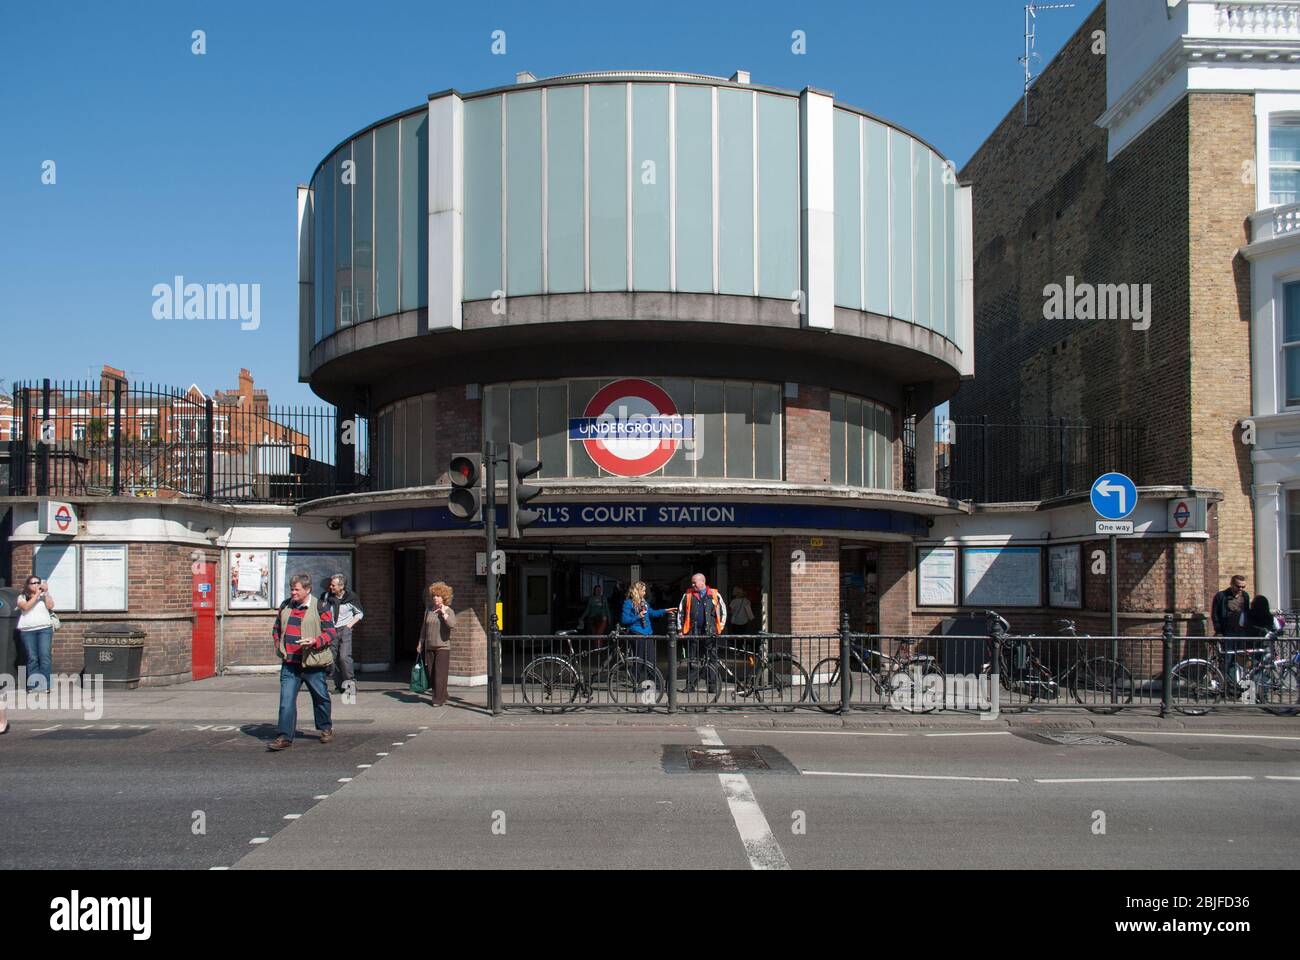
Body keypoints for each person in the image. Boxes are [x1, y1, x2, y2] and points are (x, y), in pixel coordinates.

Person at [268, 573, 336, 751]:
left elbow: (330, 633)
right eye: (292, 589)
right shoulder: (285, 606)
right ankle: (284, 736)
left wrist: (315, 641)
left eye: (296, 589)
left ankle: (325, 728)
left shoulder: (321, 606)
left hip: (313, 663)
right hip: (290, 663)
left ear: (307, 589)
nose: (293, 592)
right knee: (286, 700)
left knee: (320, 697)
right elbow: (276, 628)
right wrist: (278, 644)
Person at [678, 572, 727, 692]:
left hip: (711, 633)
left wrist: (719, 628)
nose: (692, 584)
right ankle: (690, 686)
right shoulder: (687, 595)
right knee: (693, 660)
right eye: (692, 582)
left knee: (712, 660)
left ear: (702, 582)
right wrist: (680, 630)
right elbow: (681, 613)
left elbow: (723, 612)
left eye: (694, 582)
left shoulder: (715, 595)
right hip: (693, 632)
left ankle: (712, 686)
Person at [319, 574, 364, 694]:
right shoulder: (327, 597)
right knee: (332, 658)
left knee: (344, 657)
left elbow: (359, 614)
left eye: (333, 585)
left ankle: (350, 685)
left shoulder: (351, 597)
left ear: (341, 586)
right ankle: (339, 686)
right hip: (331, 630)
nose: (331, 587)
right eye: (331, 585)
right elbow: (322, 611)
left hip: (345, 629)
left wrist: (349, 626)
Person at [416, 582, 457, 707]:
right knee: (432, 674)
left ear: (444, 597)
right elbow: (424, 627)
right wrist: (420, 642)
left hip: (443, 647)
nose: (435, 598)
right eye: (434, 595)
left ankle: (438, 700)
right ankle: (443, 693)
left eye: (438, 595)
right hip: (429, 646)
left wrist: (443, 614)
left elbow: (452, 624)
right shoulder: (428, 610)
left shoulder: (449, 610)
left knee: (440, 674)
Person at [16, 575, 55, 692]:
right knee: (32, 657)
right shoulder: (22, 597)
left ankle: (46, 685)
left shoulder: (44, 596)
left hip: (45, 629)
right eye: (33, 583)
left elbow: (51, 606)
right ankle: (33, 685)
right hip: (28, 631)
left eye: (38, 582)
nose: (36, 584)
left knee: (45, 656)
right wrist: (37, 595)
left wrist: (46, 593)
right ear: (28, 585)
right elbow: (26, 607)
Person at [620, 581, 667, 678]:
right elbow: (624, 620)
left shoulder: (644, 602)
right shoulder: (628, 603)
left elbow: (652, 613)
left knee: (651, 659)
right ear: (637, 591)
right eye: (643, 591)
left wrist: (665, 610)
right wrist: (638, 616)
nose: (645, 593)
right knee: (639, 659)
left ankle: (654, 683)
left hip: (647, 633)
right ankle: (636, 682)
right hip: (637, 633)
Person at [1211, 574, 1251, 687]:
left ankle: (1234, 684)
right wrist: (1218, 631)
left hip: (1241, 632)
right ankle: (1225, 685)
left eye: (1243, 587)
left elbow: (1246, 613)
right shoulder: (1221, 596)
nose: (1241, 589)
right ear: (1231, 584)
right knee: (1227, 659)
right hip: (1227, 632)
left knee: (1240, 659)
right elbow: (1215, 615)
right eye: (1238, 586)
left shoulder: (1245, 596)